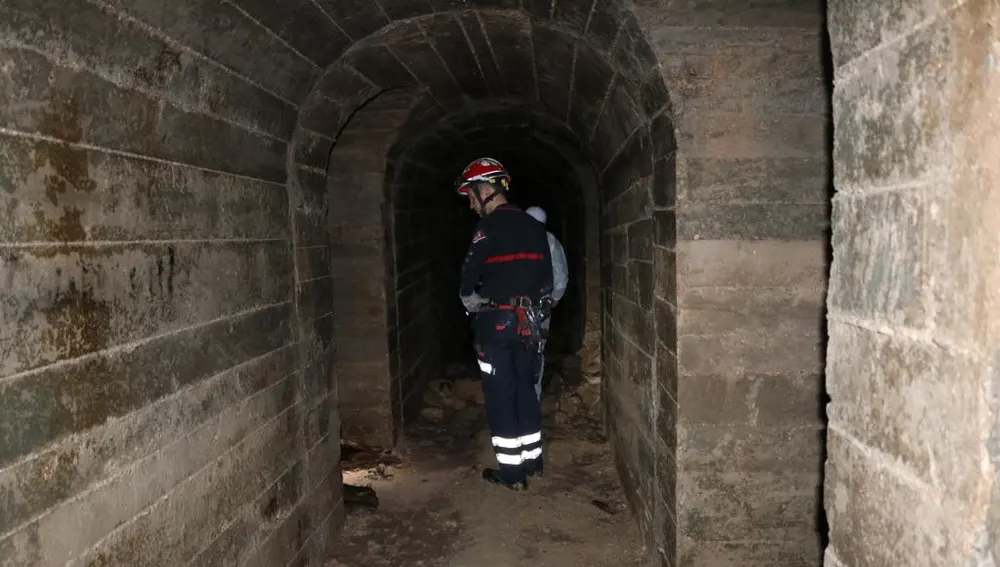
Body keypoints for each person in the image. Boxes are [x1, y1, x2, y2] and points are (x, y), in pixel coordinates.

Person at [456, 157, 553, 490]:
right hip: (529, 325)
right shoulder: (534, 228)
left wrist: (470, 301)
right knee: (526, 390)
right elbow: (547, 281)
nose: (470, 203)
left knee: (500, 395)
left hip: (496, 325)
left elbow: (469, 273)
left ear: (486, 189)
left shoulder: (487, 228)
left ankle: (512, 474)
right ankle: (533, 462)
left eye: (470, 195)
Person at [524, 206, 568, 401]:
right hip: (539, 306)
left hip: (508, 306)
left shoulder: (510, 237)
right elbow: (560, 274)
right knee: (536, 350)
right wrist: (555, 298)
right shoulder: (549, 240)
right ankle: (533, 397)